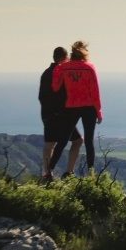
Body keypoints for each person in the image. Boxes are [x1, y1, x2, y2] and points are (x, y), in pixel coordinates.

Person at [49, 41, 103, 174]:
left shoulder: (63, 67)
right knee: (89, 142)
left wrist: (58, 68)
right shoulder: (89, 67)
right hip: (89, 107)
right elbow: (95, 91)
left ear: (72, 53)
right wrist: (99, 112)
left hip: (72, 106)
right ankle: (91, 174)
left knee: (62, 140)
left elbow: (55, 87)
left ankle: (49, 170)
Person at [39, 47, 84, 181]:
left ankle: (47, 174)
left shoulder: (46, 73)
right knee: (77, 141)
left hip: (48, 115)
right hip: (63, 116)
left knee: (50, 144)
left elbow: (42, 97)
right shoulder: (62, 73)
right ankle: (68, 173)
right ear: (64, 58)